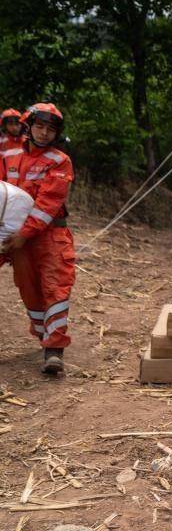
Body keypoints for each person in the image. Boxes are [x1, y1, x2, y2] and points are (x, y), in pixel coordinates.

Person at [0, 103, 75, 374]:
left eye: (51, 129)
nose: (44, 133)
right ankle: (44, 334)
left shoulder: (59, 161)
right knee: (27, 287)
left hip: (50, 235)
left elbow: (49, 202)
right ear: (28, 127)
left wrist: (24, 234)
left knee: (55, 287)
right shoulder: (8, 155)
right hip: (13, 234)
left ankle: (54, 349)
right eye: (40, 127)